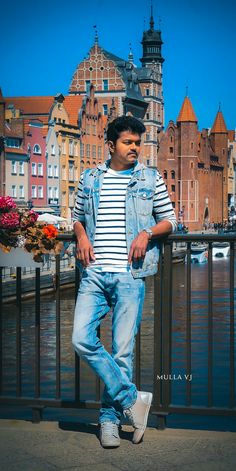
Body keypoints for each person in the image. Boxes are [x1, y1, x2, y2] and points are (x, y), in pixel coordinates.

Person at [72, 115, 177, 448]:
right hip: (94, 272)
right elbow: (76, 217)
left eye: (137, 142)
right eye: (128, 142)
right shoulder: (89, 179)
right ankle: (133, 400)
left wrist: (147, 232)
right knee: (80, 339)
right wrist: (81, 236)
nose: (135, 148)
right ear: (111, 145)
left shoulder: (150, 178)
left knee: (122, 352)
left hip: (131, 275)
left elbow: (171, 221)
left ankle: (110, 419)